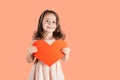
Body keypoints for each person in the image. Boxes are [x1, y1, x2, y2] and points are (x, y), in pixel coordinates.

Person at [26, 10, 70, 80]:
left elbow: (64, 60)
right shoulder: (36, 41)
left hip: (54, 70)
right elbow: (29, 60)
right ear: (41, 23)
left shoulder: (58, 42)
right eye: (47, 21)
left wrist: (67, 53)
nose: (50, 24)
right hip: (40, 70)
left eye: (53, 22)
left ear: (57, 25)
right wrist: (29, 52)